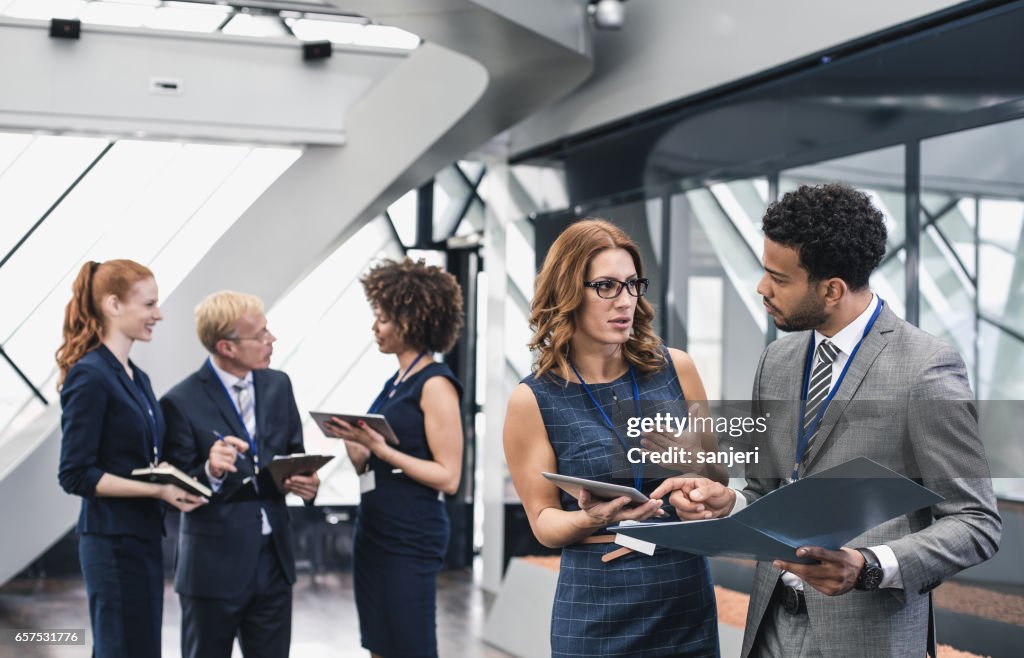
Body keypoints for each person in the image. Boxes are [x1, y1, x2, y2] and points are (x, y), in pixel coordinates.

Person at [652, 183, 1001, 658]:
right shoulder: (775, 361)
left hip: (868, 637)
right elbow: (767, 494)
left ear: (832, 289)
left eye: (778, 277)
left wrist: (869, 566)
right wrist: (727, 501)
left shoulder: (926, 369)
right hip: (771, 628)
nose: (761, 288)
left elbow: (975, 521)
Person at [503, 219, 724, 657]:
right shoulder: (533, 399)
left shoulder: (676, 368)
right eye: (606, 286)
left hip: (683, 594)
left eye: (632, 285)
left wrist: (694, 467)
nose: (624, 301)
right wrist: (592, 519)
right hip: (597, 603)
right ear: (568, 292)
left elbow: (716, 481)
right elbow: (544, 521)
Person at [57, 259, 206, 658]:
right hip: (110, 542)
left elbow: (139, 457)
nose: (158, 314)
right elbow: (75, 474)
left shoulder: (136, 377)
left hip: (140, 538)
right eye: (149, 304)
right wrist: (158, 492)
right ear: (113, 305)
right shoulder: (89, 375)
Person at [160, 291, 319, 658]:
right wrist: (210, 470)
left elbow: (294, 452)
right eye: (260, 334)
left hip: (274, 562)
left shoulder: (279, 385)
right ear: (226, 347)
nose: (271, 340)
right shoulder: (180, 401)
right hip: (213, 568)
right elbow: (173, 486)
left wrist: (307, 482)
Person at [324, 258, 464, 658]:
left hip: (410, 533)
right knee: (380, 641)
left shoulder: (435, 384)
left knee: (410, 641)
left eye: (382, 319)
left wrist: (382, 449)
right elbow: (377, 467)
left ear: (410, 321)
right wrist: (359, 450)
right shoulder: (393, 383)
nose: (375, 327)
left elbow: (449, 476)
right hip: (375, 528)